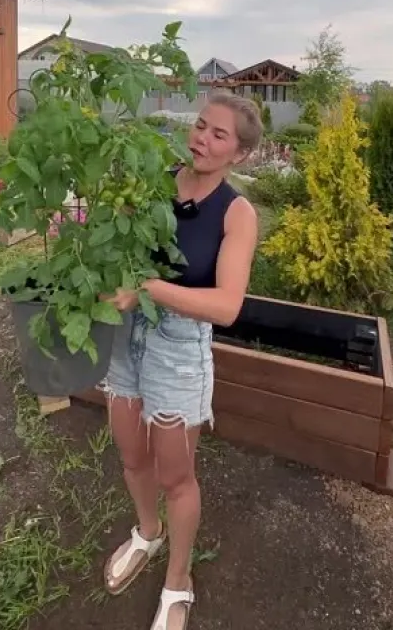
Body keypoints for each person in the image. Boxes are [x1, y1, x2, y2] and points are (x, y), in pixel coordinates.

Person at [99, 91, 263, 630]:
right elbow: (120, 239)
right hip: (129, 334)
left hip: (179, 347)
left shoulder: (236, 213)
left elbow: (227, 306)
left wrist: (149, 286)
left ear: (239, 153)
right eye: (200, 125)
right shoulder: (156, 182)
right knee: (130, 455)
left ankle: (179, 579)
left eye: (220, 135)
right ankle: (148, 533)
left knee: (177, 475)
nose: (203, 139)